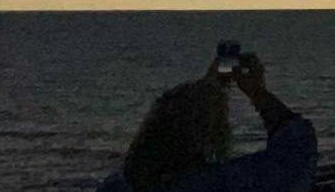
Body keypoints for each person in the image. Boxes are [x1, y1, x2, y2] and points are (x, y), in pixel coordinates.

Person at [102, 53, 316, 192]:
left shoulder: (120, 185)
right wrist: (257, 93)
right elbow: (294, 156)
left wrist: (208, 89)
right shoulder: (215, 184)